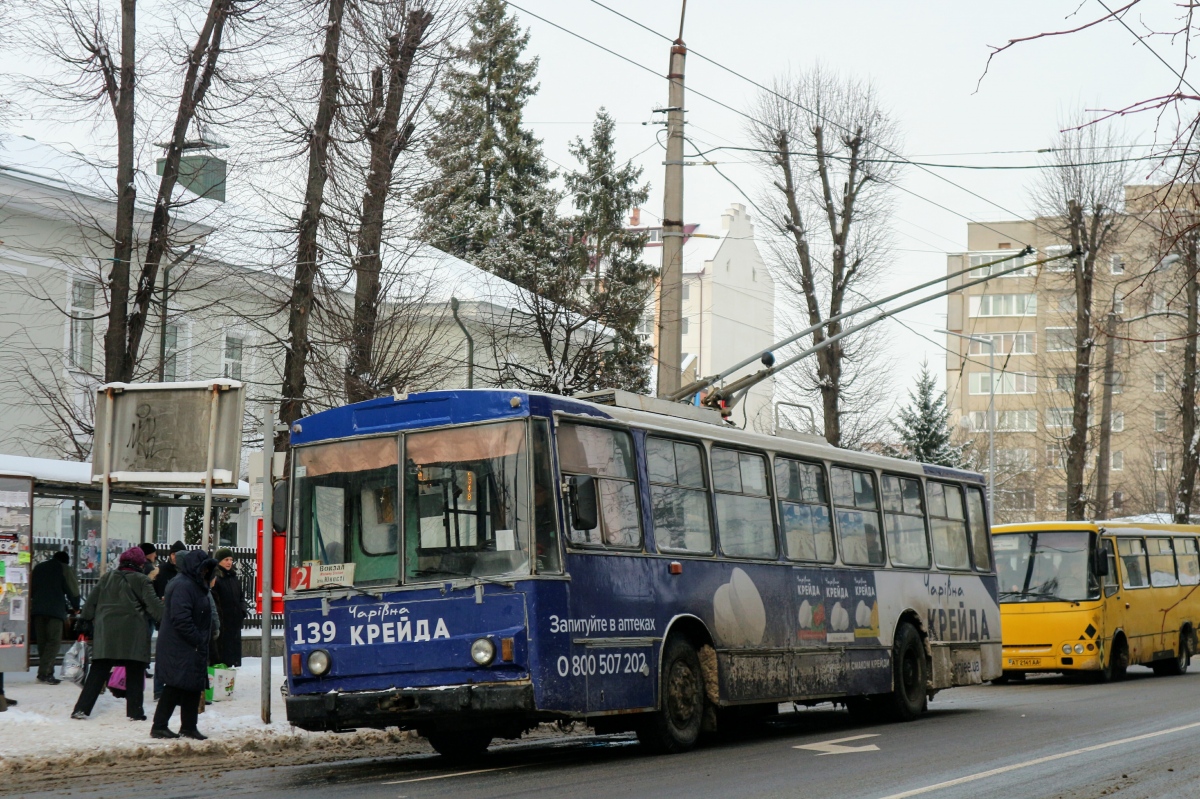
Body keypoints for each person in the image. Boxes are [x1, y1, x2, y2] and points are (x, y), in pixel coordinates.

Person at [71, 547, 163, 721]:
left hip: (106, 633)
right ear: (139, 564)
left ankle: (81, 709)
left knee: (98, 672)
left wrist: (84, 621)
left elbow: (91, 602)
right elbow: (154, 607)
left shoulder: (107, 578)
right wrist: (167, 616)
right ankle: (135, 712)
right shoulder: (142, 580)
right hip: (134, 633)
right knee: (135, 670)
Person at [151, 550, 217, 740]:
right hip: (181, 645)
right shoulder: (183, 585)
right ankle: (159, 726)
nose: (206, 573)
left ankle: (188, 726)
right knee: (175, 685)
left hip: (190, 646)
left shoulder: (193, 585)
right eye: (203, 569)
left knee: (192, 686)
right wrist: (197, 639)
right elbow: (181, 619)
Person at [31, 550, 81, 684]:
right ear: (65, 561)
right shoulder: (64, 568)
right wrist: (75, 606)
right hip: (54, 611)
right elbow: (73, 589)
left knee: (43, 643)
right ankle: (45, 673)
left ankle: (47, 671)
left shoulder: (39, 567)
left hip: (37, 610)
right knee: (53, 642)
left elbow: (31, 588)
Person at [211, 548, 245, 667]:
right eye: (226, 559)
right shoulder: (216, 578)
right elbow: (214, 601)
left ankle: (227, 680)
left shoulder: (233, 577)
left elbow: (241, 597)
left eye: (231, 559)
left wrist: (242, 611)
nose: (229, 562)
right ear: (219, 561)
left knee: (230, 658)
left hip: (234, 624)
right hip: (223, 624)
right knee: (221, 657)